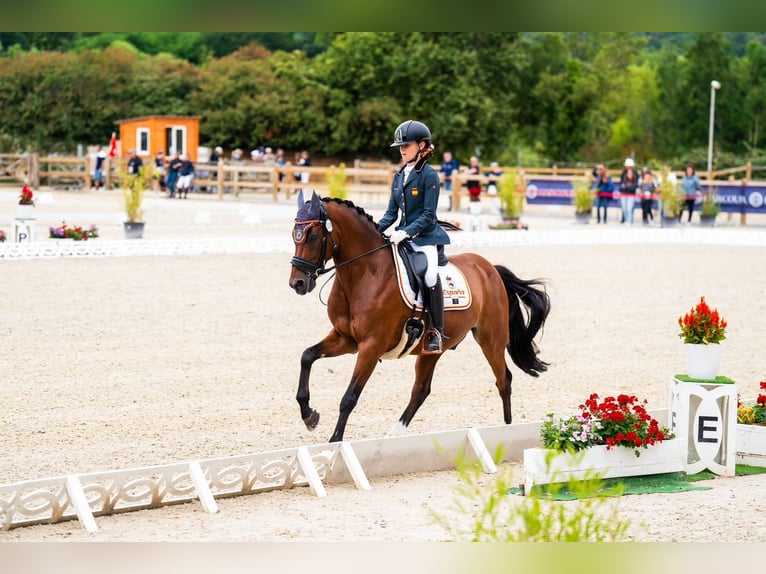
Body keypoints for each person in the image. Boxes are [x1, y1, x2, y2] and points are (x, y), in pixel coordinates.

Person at [377, 120, 450, 354]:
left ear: (421, 145)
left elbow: (429, 215)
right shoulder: (398, 175)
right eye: (400, 145)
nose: (401, 149)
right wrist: (374, 232)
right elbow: (391, 213)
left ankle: (437, 331)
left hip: (426, 238)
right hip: (402, 237)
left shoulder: (429, 175)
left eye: (406, 144)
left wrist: (406, 232)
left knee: (429, 275)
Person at [619, 157, 639, 224]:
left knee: (629, 208)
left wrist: (628, 187)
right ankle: (625, 219)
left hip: (631, 194)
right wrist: (624, 188)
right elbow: (621, 184)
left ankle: (629, 221)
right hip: (623, 194)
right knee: (624, 209)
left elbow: (636, 185)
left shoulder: (635, 173)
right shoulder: (623, 173)